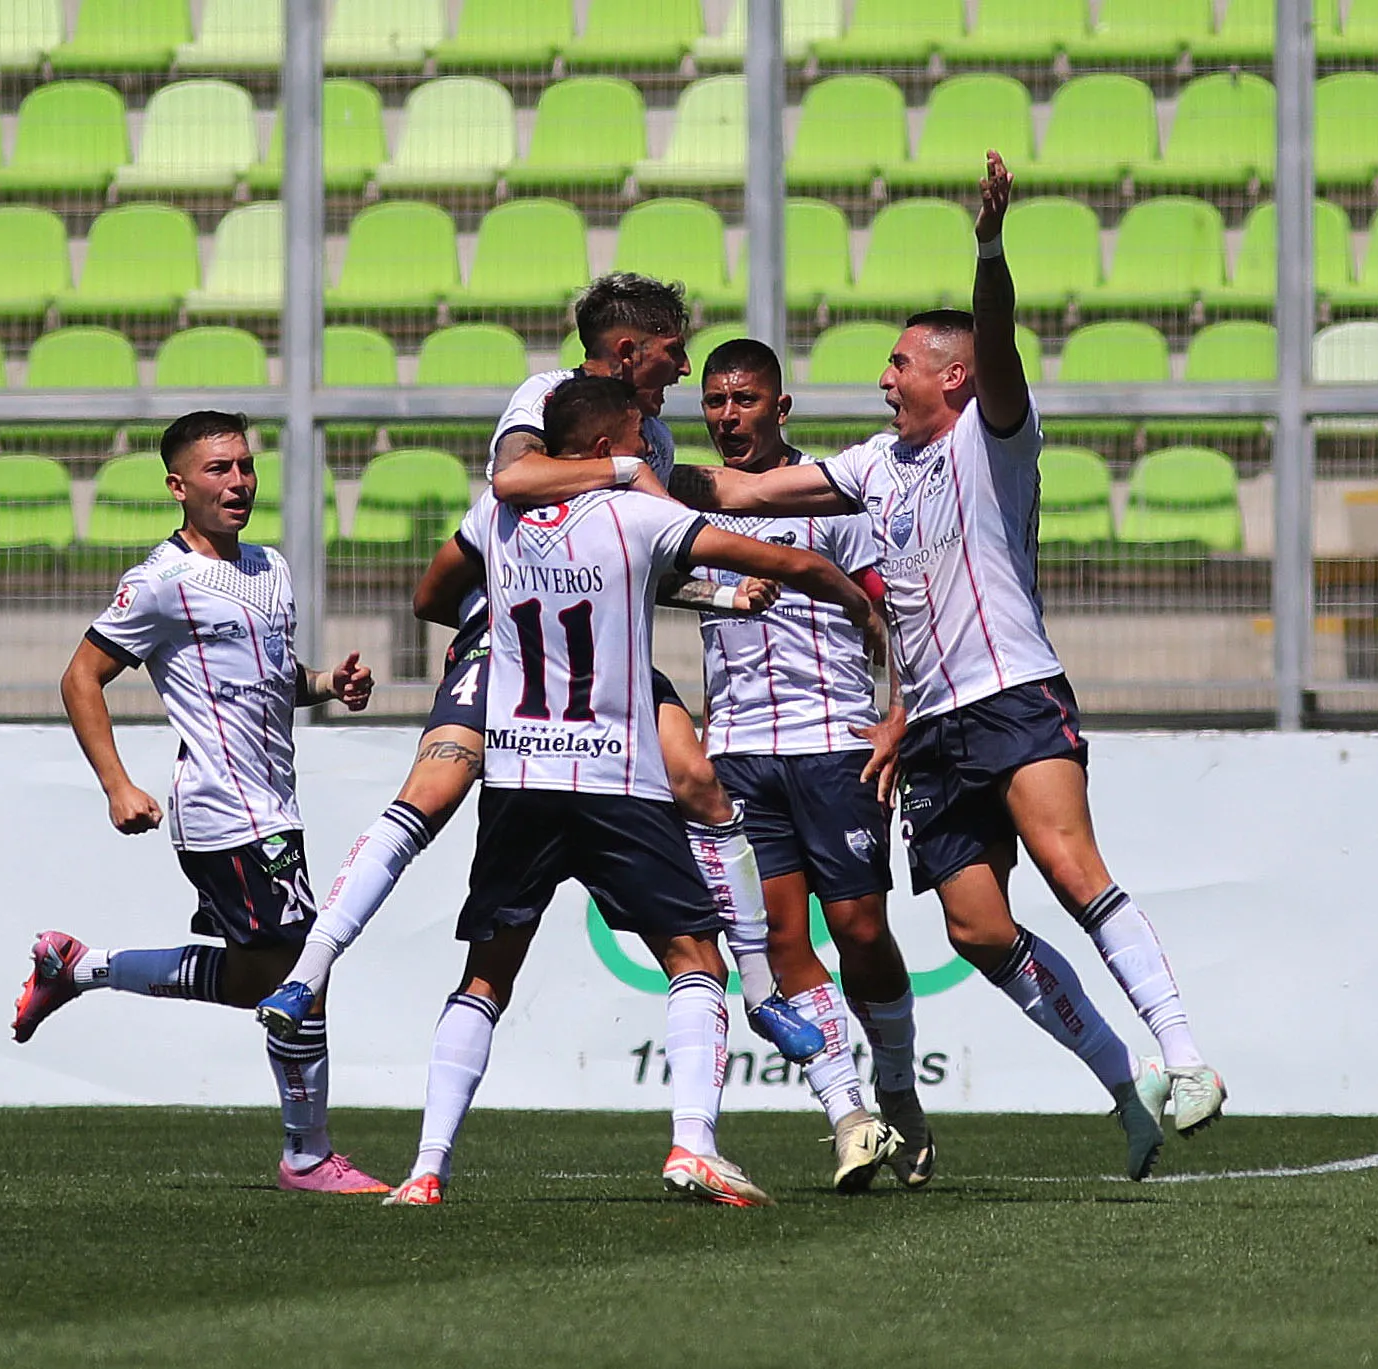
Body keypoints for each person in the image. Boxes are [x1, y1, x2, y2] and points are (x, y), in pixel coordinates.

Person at [658, 152, 1229, 1181]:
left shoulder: (992, 438)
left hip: (1009, 693)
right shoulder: (876, 466)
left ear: (951, 375)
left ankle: (1184, 1055)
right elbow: (739, 496)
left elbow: (999, 339)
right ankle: (1125, 1086)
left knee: (1069, 867)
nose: (883, 377)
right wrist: (623, 464)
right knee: (974, 928)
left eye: (898, 363)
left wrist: (990, 248)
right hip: (929, 729)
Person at [258, 274, 822, 1063]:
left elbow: (658, 552)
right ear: (627, 353)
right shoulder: (547, 398)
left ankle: (760, 993)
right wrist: (621, 479)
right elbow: (512, 480)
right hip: (511, 643)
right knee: (434, 790)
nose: (683, 372)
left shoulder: (650, 440)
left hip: (599, 655)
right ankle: (306, 974)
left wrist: (729, 594)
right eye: (672, 353)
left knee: (697, 777)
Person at [379, 375, 886, 1207]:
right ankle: (693, 1146)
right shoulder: (639, 515)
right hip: (615, 778)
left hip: (519, 775)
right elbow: (782, 557)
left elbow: (431, 595)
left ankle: (426, 1167)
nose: (649, 447)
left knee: (485, 976)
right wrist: (849, 601)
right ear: (603, 442)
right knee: (694, 959)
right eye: (636, 433)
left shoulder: (493, 518)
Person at [9, 411, 388, 1194]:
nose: (239, 482)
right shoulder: (160, 582)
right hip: (226, 810)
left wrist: (326, 686)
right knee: (301, 972)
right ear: (179, 486)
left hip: (272, 805)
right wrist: (117, 783)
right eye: (218, 469)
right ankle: (307, 1155)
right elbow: (80, 676)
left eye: (245, 466)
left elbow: (269, 679)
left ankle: (78, 968)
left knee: (259, 980)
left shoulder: (270, 567)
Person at [689, 338, 942, 1193]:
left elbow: (898, 610)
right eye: (716, 403)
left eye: (744, 401)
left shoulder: (834, 499)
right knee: (785, 942)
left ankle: (898, 1089)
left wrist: (901, 714)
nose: (729, 417)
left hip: (834, 738)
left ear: (779, 408)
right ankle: (852, 1119)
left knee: (860, 930)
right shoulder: (694, 510)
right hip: (737, 748)